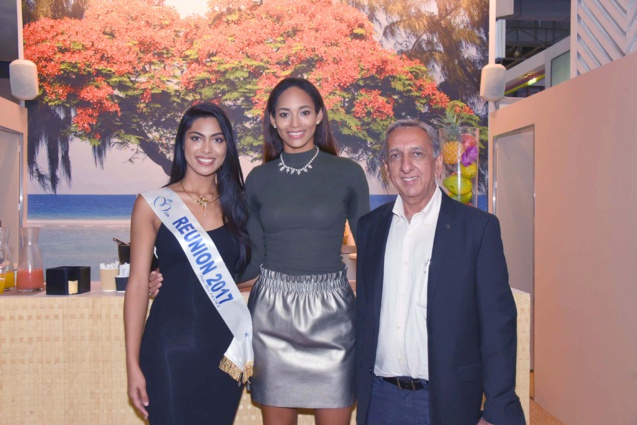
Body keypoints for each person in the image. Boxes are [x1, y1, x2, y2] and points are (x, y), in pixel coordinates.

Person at [355, 119, 526, 425]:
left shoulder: (477, 229)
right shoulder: (370, 228)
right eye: (396, 156)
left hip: (446, 401)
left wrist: (497, 409)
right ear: (386, 167)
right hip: (381, 399)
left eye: (417, 154)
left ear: (436, 164)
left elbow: (498, 327)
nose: (406, 166)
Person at [242, 77, 370, 425]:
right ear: (271, 119)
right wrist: (182, 273)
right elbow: (252, 260)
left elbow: (372, 251)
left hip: (332, 317)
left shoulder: (348, 173)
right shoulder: (257, 179)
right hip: (271, 316)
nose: (294, 123)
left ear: (319, 116)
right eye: (284, 114)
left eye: (303, 113)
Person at [124, 102, 252, 424]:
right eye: (197, 138)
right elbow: (138, 284)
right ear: (183, 143)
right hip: (169, 348)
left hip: (227, 353)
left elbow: (250, 273)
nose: (206, 148)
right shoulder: (152, 204)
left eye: (217, 139)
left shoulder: (239, 206)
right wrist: (132, 364)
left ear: (227, 147)